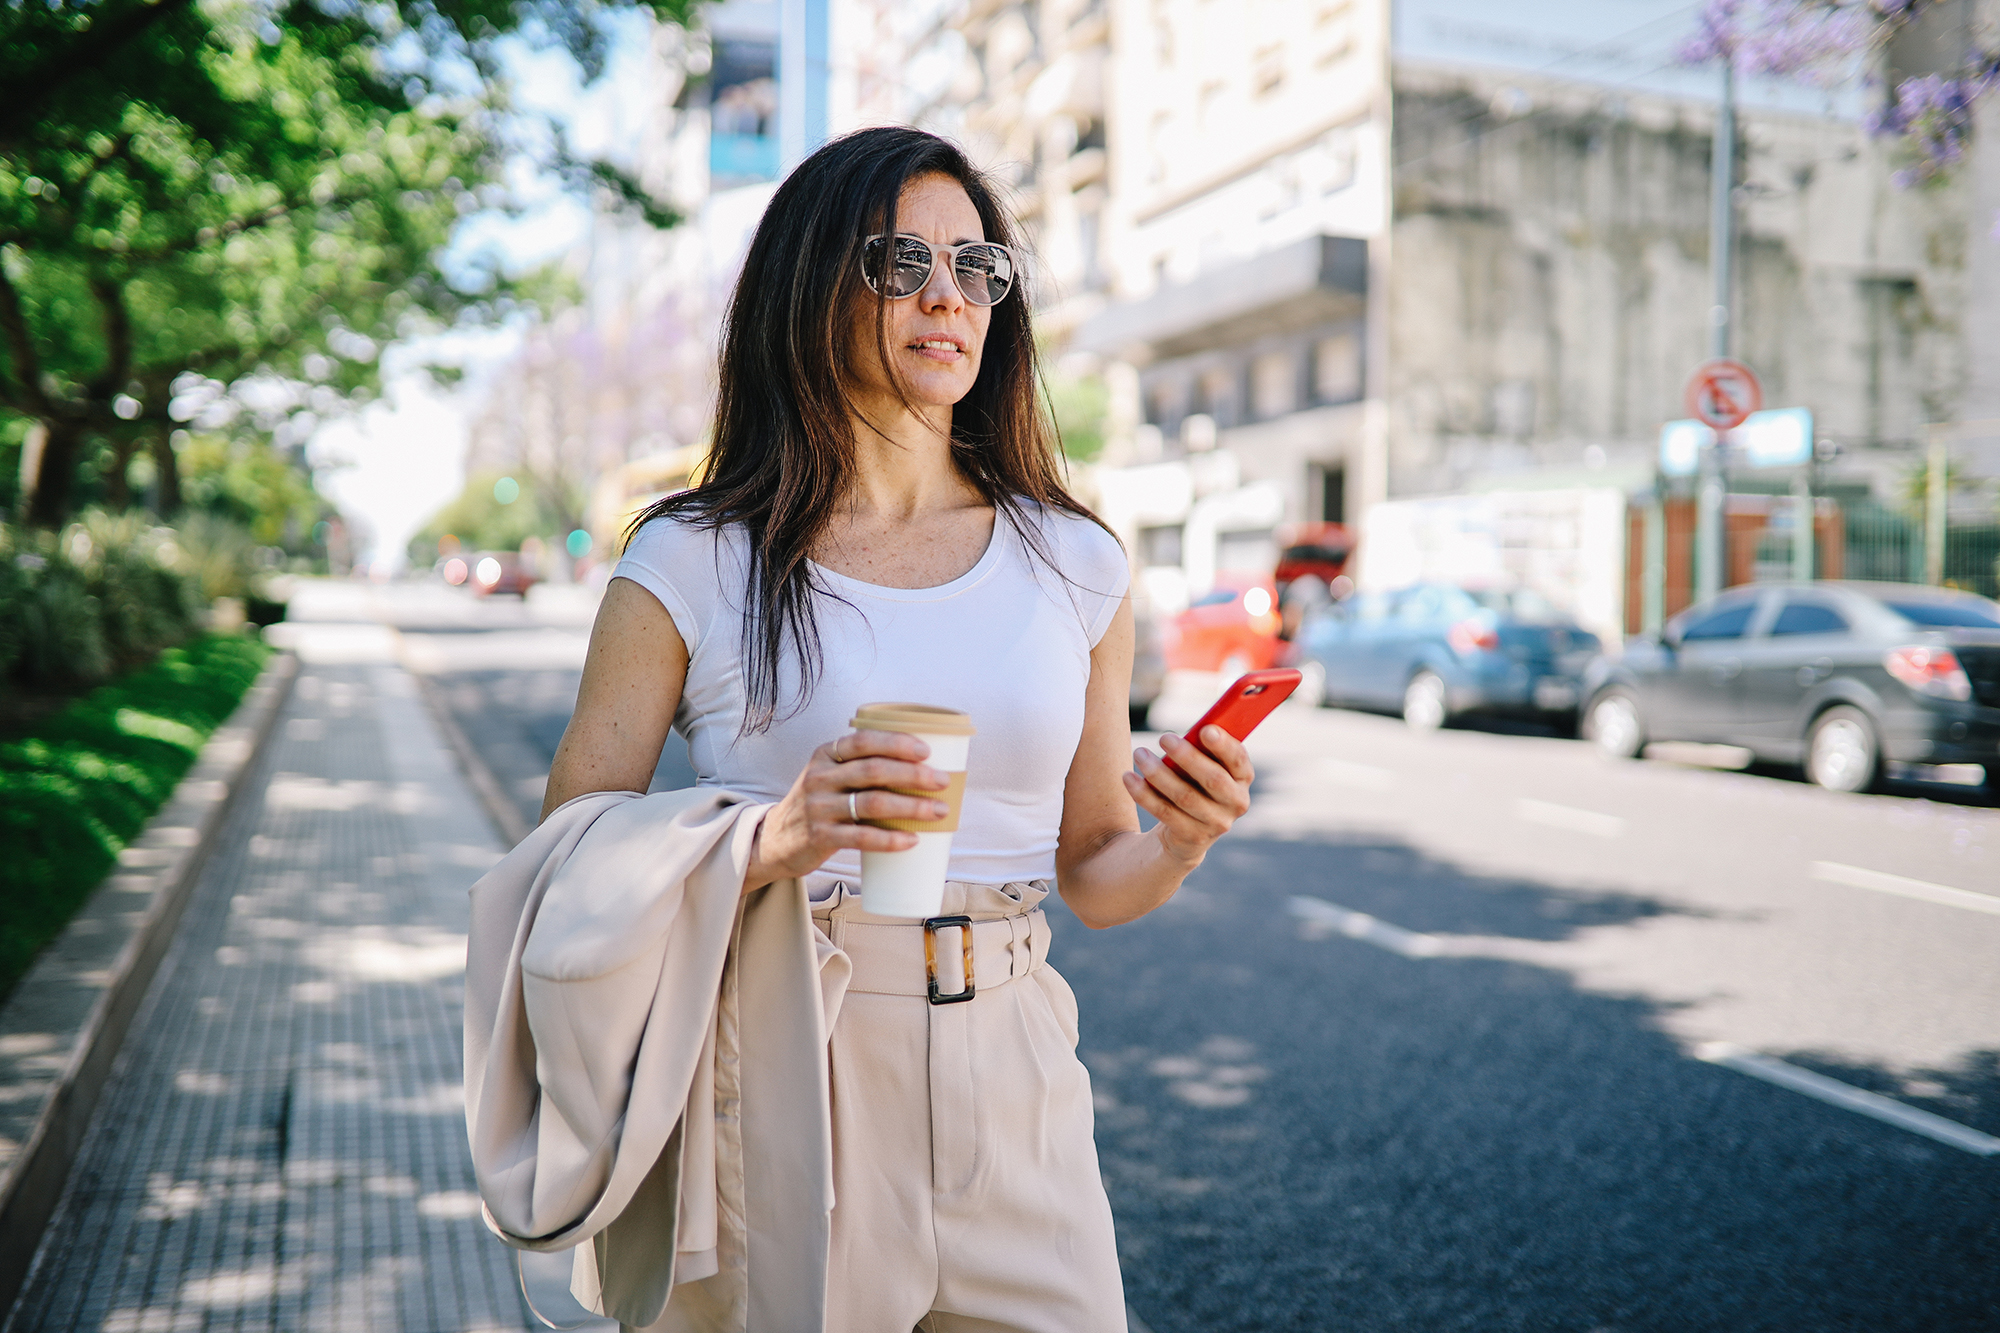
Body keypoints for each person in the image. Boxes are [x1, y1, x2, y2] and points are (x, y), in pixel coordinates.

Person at [539, 126, 1257, 1333]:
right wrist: (771, 838)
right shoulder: (694, 558)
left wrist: (1177, 838)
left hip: (1017, 1063)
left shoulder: (1075, 559)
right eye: (898, 261)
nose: (946, 295)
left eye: (975, 268)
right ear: (808, 283)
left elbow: (1092, 868)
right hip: (778, 1060)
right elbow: (565, 854)